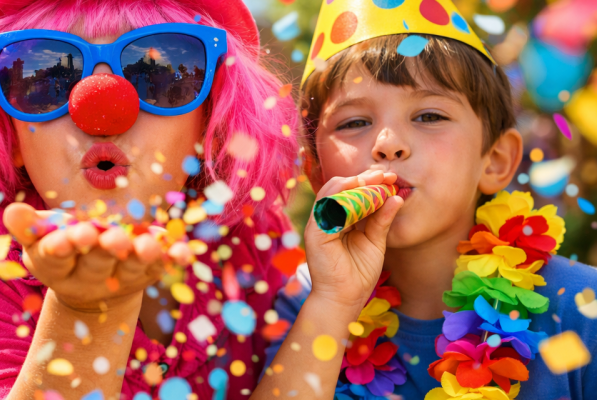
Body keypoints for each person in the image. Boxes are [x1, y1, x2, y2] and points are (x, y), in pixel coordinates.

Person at [0, 0, 301, 398]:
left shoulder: (252, 241)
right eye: (44, 81)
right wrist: (85, 309)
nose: (101, 111)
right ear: (11, 135)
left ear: (208, 122)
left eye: (158, 75)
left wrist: (335, 298)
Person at [253, 0, 597, 399]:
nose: (388, 145)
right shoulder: (304, 309)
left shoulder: (580, 309)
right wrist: (333, 302)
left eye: (429, 116)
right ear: (316, 172)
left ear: (496, 160)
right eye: (355, 123)